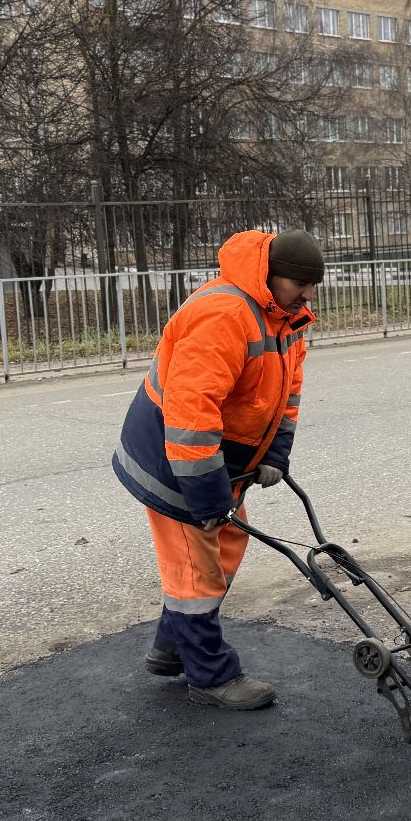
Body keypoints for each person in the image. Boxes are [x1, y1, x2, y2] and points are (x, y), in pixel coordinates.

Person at [113, 229, 323, 710]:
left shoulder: (286, 316)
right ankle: (211, 676)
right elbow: (190, 414)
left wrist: (276, 454)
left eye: (314, 285)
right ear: (270, 277)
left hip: (220, 461)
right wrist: (205, 496)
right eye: (299, 284)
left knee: (229, 541)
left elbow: (287, 393)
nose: (309, 294)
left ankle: (171, 648)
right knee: (196, 570)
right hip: (174, 462)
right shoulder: (223, 314)